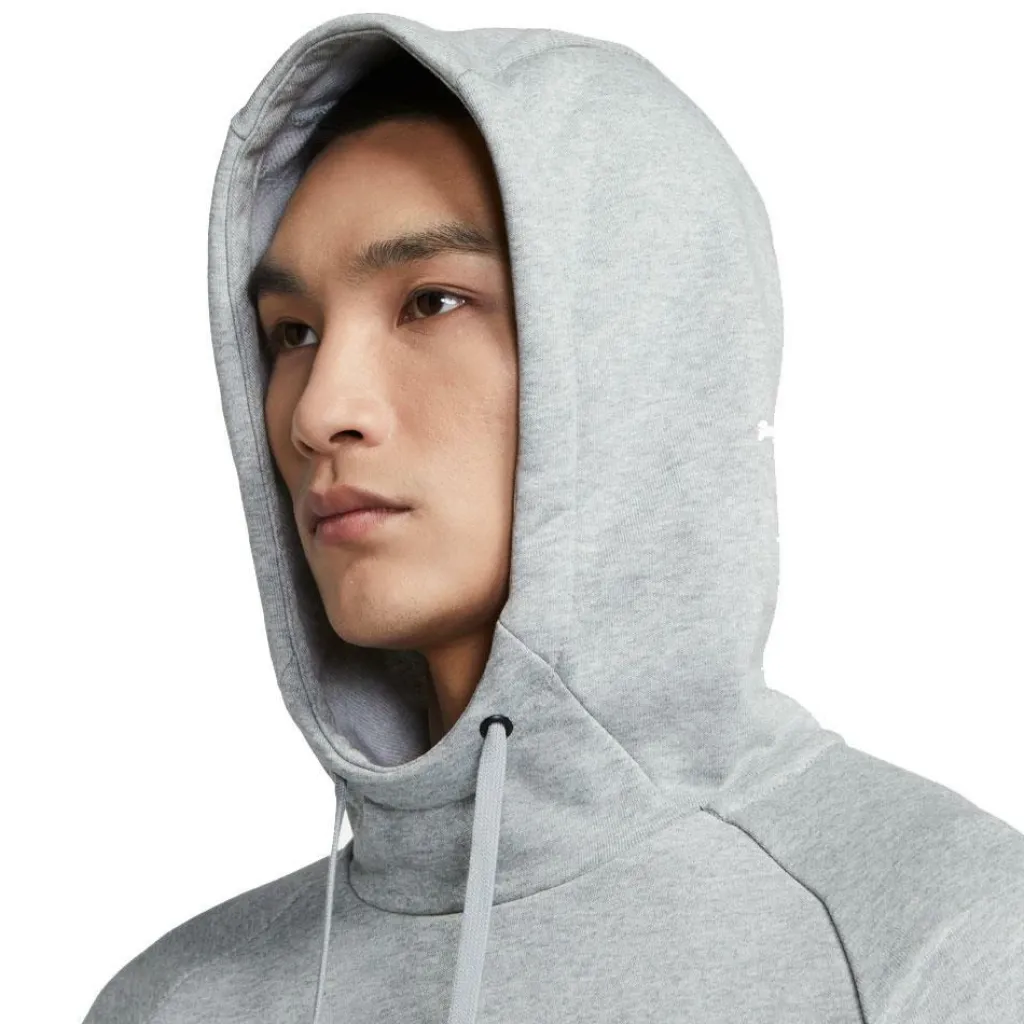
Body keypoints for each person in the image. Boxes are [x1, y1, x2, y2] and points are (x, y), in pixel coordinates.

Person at [83, 12, 1024, 1024]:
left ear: (641, 347)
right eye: (293, 333)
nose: (318, 412)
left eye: (430, 303)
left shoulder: (942, 943)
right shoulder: (174, 1000)